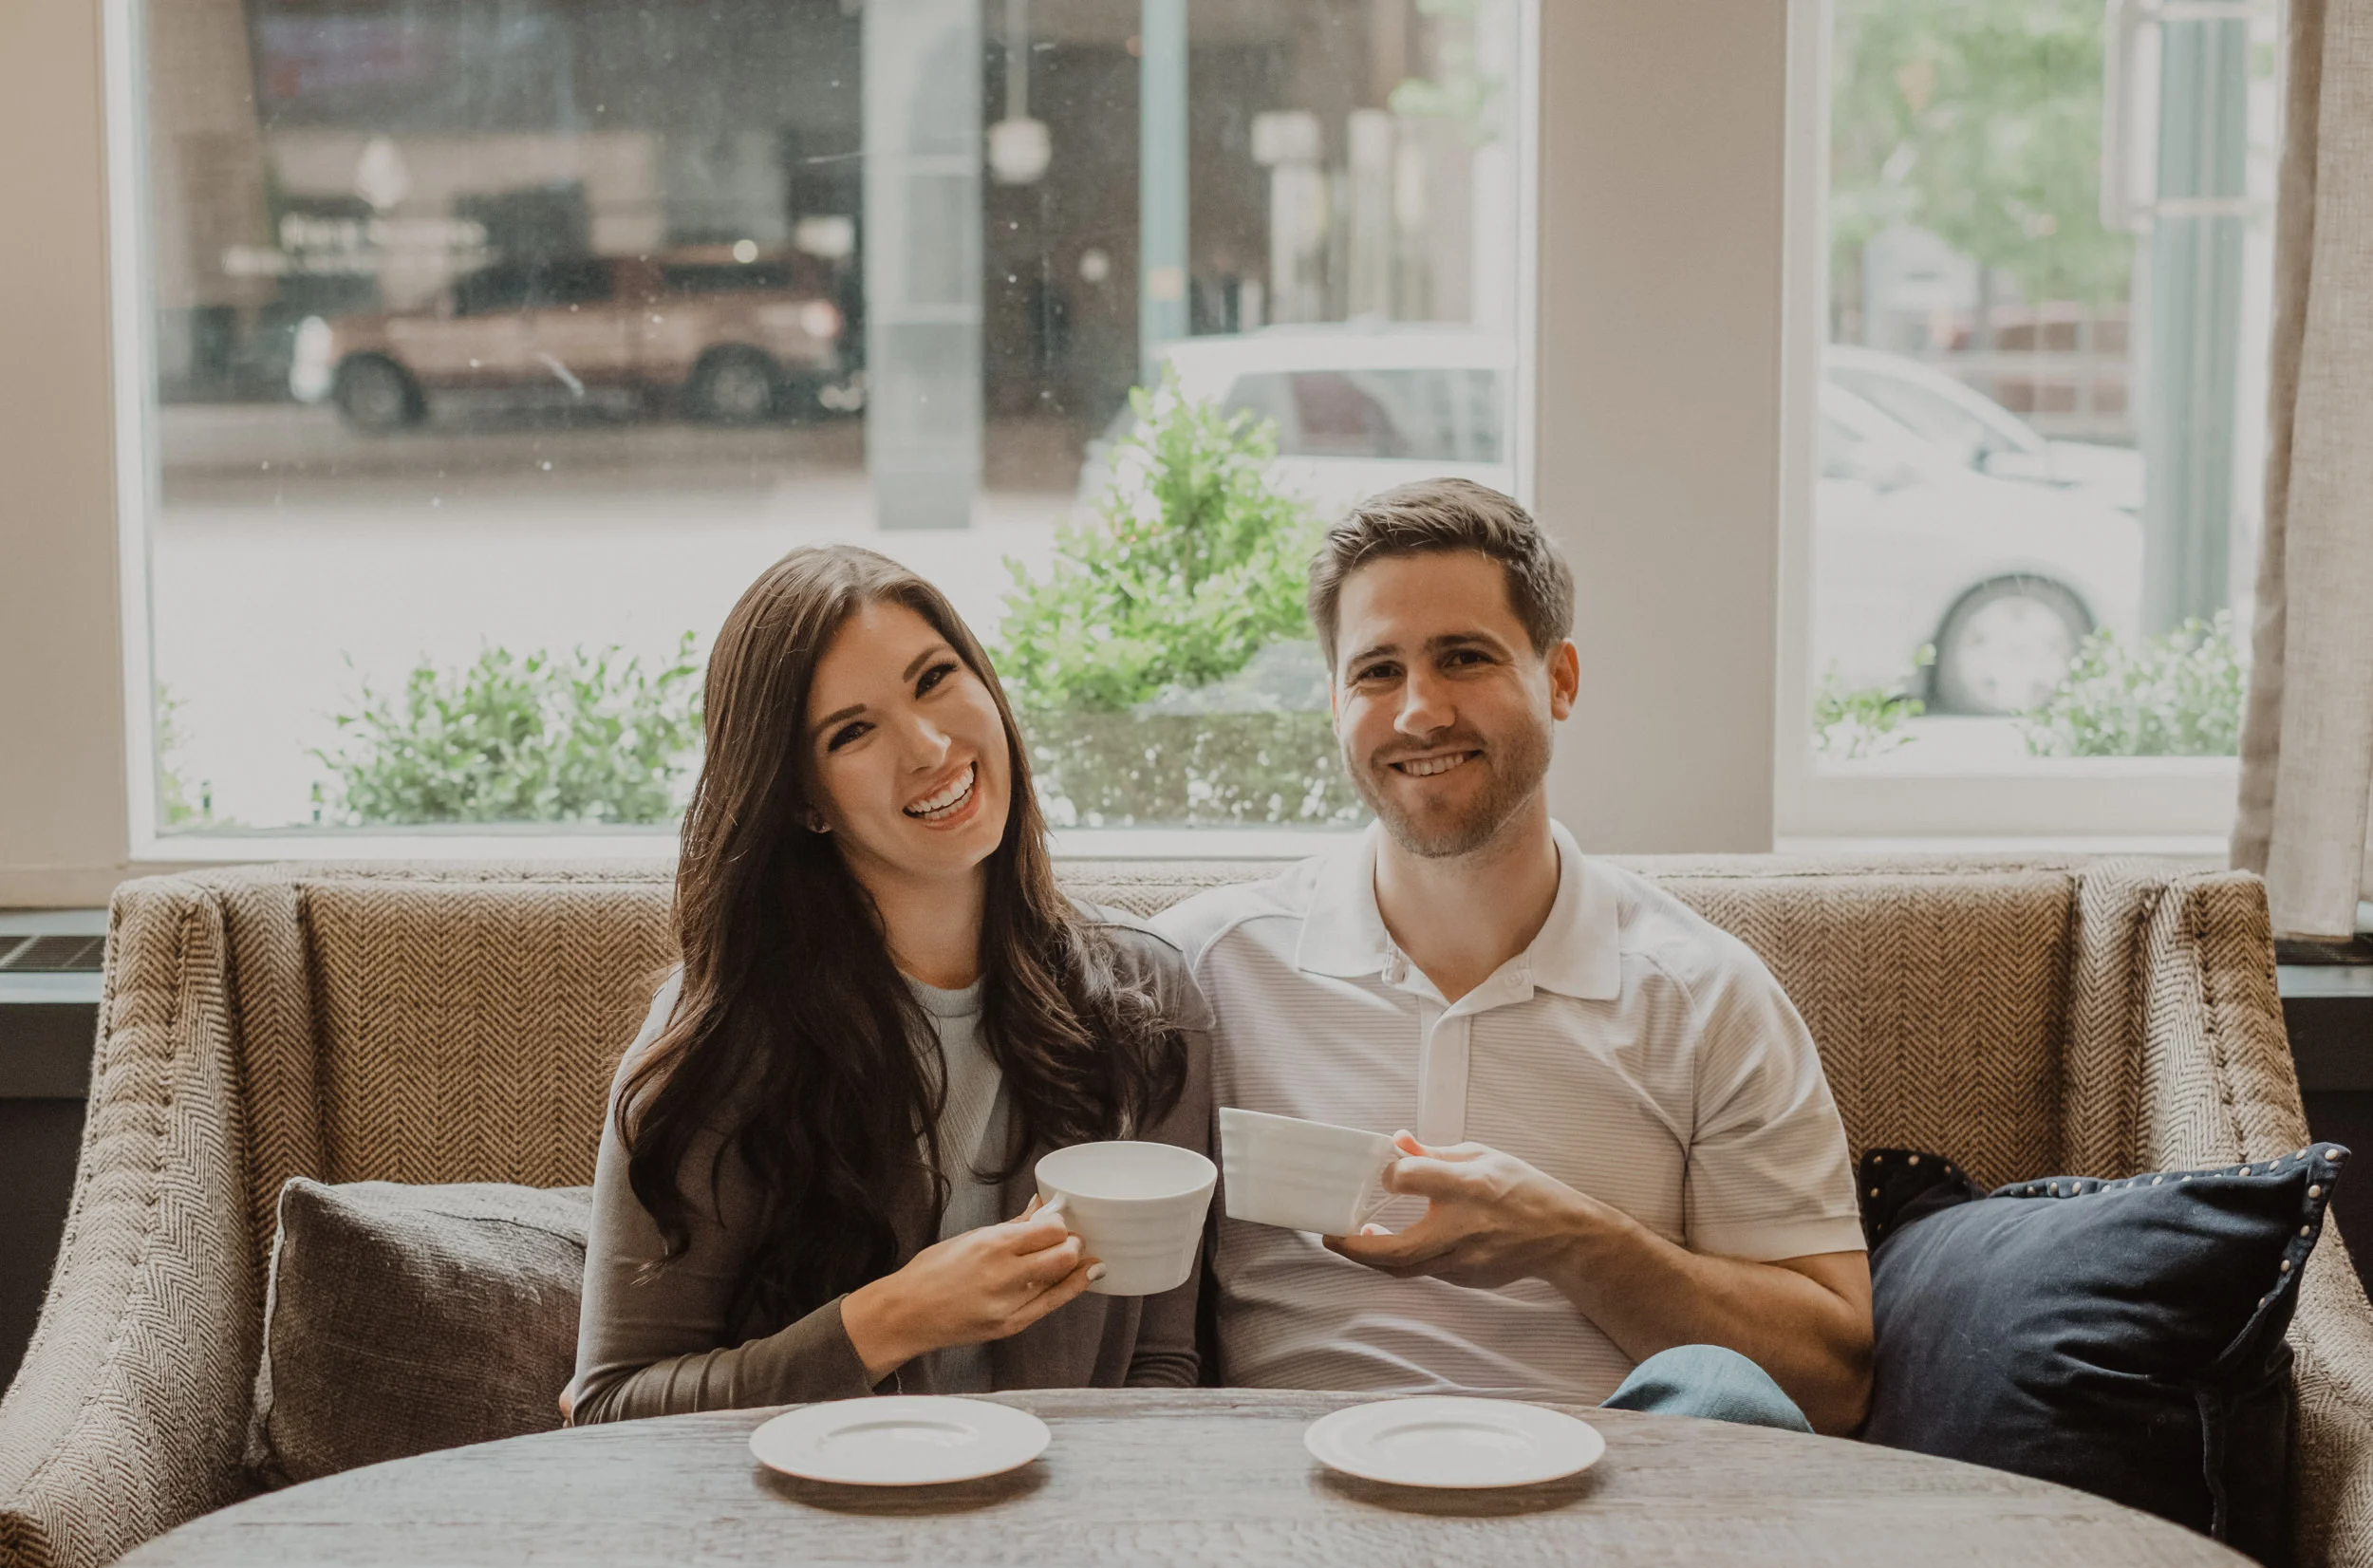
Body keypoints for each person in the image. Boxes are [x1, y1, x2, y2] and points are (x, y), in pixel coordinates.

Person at [1155, 478, 1873, 1434]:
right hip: (1294, 1488)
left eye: (1464, 658)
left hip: (1614, 1496)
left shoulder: (1708, 996)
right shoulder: (1200, 970)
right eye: (1377, 672)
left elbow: (1831, 1385)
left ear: (1560, 679)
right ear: (1333, 701)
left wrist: (1571, 1242)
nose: (1419, 712)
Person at [569, 544, 1210, 1423]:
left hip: (1068, 1499)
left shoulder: (1147, 996)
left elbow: (1165, 1360)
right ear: (802, 800)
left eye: (935, 679)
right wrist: (892, 1319)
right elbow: (611, 1406)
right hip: (810, 1504)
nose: (930, 747)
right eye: (853, 732)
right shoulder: (720, 1043)